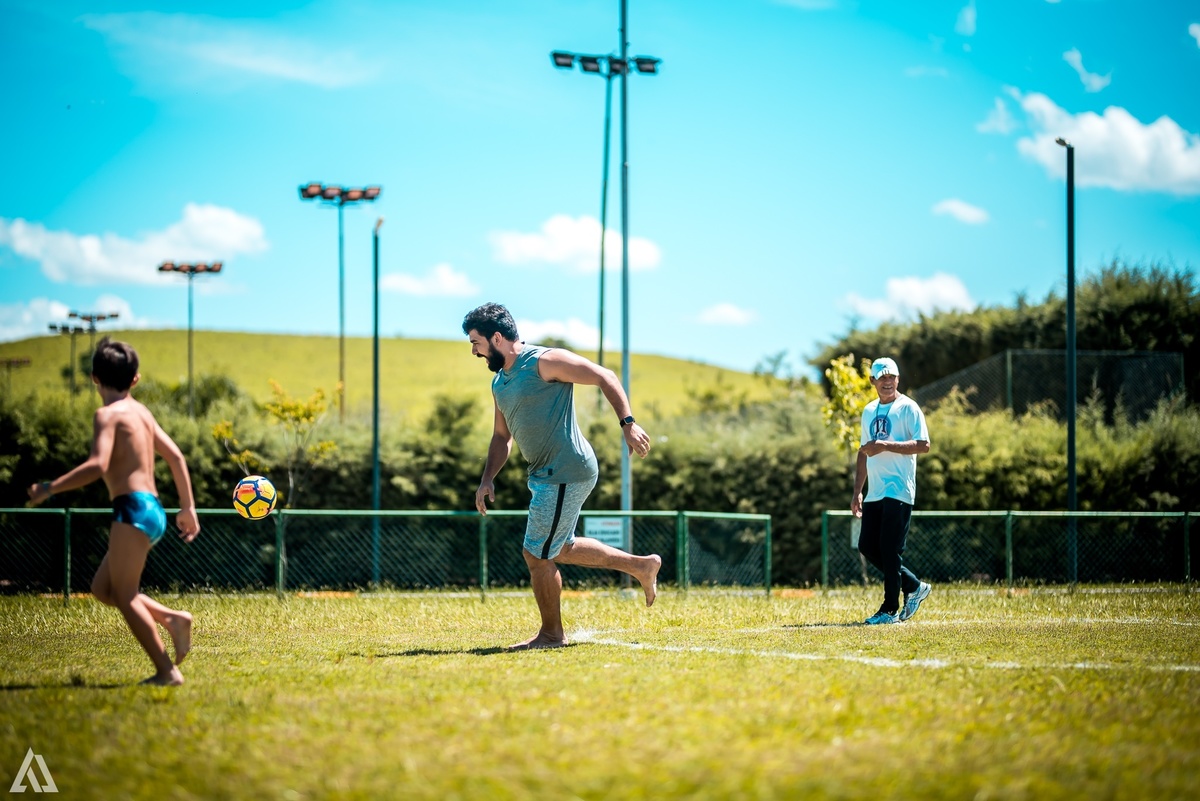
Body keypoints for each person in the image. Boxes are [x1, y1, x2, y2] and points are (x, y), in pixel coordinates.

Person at [463, 302, 661, 650]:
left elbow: (605, 376)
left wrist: (628, 425)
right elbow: (500, 437)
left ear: (497, 338)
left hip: (566, 468)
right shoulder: (500, 383)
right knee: (560, 546)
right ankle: (641, 566)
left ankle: (552, 635)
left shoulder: (544, 361)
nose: (475, 351)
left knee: (536, 554)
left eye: (476, 342)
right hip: (545, 474)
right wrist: (487, 478)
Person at [27, 337, 200, 685]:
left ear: (94, 377)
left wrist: (49, 488)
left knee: (124, 594)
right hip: (153, 512)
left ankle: (167, 671)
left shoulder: (106, 415)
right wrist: (187, 508)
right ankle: (172, 619)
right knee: (103, 589)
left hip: (132, 508)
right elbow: (176, 456)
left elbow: (96, 465)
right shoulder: (142, 413)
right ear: (135, 379)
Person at [851, 357, 931, 625]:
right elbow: (863, 452)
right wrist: (857, 491)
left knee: (889, 548)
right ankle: (914, 586)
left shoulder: (909, 407)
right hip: (875, 491)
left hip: (898, 489)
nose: (887, 382)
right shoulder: (868, 411)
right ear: (872, 381)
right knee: (867, 546)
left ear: (898, 379)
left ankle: (889, 609)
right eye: (881, 377)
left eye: (891, 377)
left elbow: (923, 444)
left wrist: (885, 444)